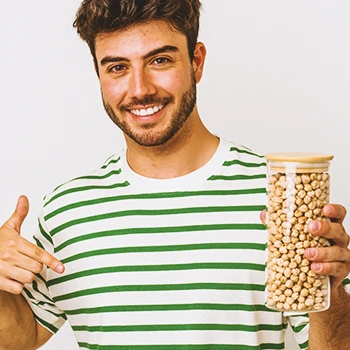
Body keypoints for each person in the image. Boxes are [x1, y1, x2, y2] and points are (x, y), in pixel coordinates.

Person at [0, 1, 349, 349]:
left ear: (196, 61)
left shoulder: (280, 196)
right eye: (118, 67)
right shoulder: (68, 210)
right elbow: (20, 338)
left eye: (160, 60)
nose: (140, 89)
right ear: (98, 74)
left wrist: (328, 291)